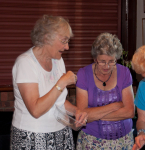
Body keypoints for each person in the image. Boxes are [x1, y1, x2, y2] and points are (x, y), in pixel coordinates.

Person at [11, 15, 88, 150]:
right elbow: (36, 110)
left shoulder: (57, 60)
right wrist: (61, 83)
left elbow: (58, 100)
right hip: (32, 136)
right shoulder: (25, 63)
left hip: (61, 132)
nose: (67, 47)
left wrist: (76, 111)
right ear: (47, 38)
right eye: (64, 41)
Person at [75, 32, 135, 149]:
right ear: (94, 58)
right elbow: (82, 116)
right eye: (102, 61)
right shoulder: (83, 74)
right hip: (91, 140)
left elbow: (129, 112)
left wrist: (93, 114)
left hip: (123, 140)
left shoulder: (124, 72)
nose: (107, 66)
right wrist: (114, 106)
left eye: (112, 61)